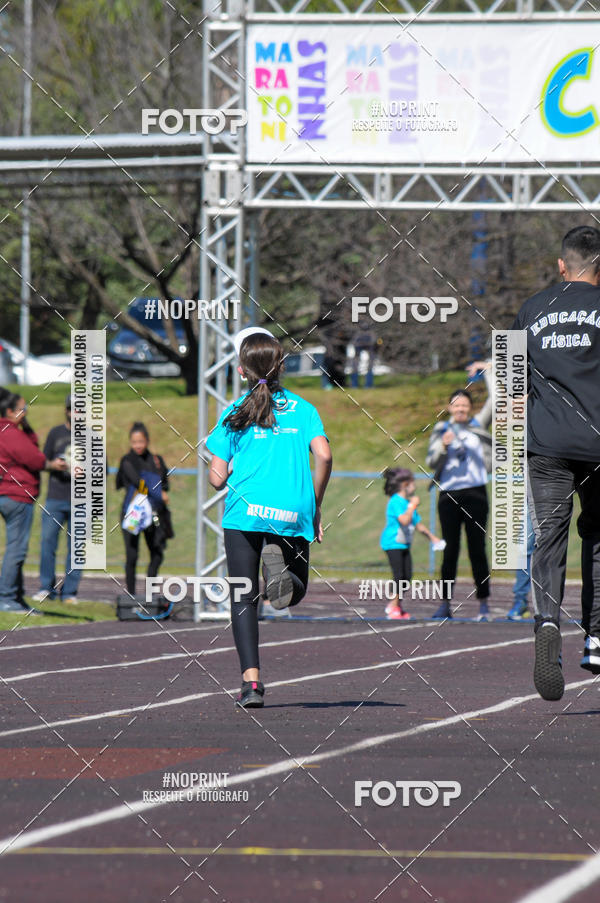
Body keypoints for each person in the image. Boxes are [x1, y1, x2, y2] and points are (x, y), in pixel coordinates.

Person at [206, 328, 332, 708]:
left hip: (245, 511)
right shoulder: (304, 409)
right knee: (294, 591)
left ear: (242, 371)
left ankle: (252, 684)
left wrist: (220, 465)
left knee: (243, 597)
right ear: (281, 367)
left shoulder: (235, 413)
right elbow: (324, 456)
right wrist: (315, 505)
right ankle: (283, 573)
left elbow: (216, 479)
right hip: (292, 509)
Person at [512, 225, 600, 700]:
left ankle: (546, 621)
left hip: (546, 444)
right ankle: (597, 635)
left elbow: (510, 383)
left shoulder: (530, 309)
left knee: (549, 536)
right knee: (598, 533)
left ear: (561, 266)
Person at [425, 361, 493, 620]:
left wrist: (487, 371)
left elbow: (495, 401)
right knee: (449, 549)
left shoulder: (478, 427)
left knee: (477, 549)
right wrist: (442, 446)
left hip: (476, 493)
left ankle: (484, 604)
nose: (461, 409)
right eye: (457, 405)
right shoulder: (441, 429)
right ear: (450, 408)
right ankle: (445, 604)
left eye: (465, 405)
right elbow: (431, 461)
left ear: (470, 408)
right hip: (449, 495)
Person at [0, 391, 67, 612]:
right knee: (16, 549)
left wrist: (24, 423)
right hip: (16, 496)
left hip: (10, 495)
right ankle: (7, 597)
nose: (26, 410)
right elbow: (35, 458)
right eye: (22, 408)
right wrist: (52, 464)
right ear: (9, 411)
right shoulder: (9, 433)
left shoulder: (12, 431)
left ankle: (16, 597)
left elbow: (31, 444)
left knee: (15, 547)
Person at [31, 395, 82, 604]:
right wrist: (55, 464)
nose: (76, 413)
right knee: (47, 543)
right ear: (67, 411)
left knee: (76, 548)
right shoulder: (56, 433)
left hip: (81, 501)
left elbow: (103, 470)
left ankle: (69, 593)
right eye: (72, 409)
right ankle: (46, 588)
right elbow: (42, 462)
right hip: (55, 497)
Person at [116, 422, 170, 597]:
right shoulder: (127, 461)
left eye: (140, 441)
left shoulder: (156, 460)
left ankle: (150, 594)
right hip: (133, 513)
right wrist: (158, 494)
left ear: (147, 441)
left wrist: (161, 494)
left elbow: (165, 484)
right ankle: (131, 595)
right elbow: (137, 483)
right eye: (134, 442)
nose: (137, 445)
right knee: (132, 555)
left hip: (153, 514)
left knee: (156, 553)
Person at [380, 467, 442, 620]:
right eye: (413, 483)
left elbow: (417, 523)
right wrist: (412, 505)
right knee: (399, 575)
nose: (415, 487)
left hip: (404, 544)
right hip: (392, 543)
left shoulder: (407, 503)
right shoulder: (395, 501)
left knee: (407, 576)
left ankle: (397, 605)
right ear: (405, 484)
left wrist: (433, 538)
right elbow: (404, 520)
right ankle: (393, 606)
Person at [507, 509, 535, 620]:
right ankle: (520, 600)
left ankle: (552, 603)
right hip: (531, 497)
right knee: (524, 548)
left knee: (551, 550)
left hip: (555, 497)